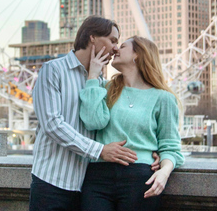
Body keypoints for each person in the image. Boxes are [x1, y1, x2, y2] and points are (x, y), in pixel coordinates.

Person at [30, 16, 159, 211]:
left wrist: (150, 150)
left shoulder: (99, 82)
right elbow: (52, 124)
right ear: (92, 38)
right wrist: (100, 150)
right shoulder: (53, 70)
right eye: (112, 40)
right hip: (51, 181)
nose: (116, 48)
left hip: (85, 185)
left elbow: (110, 123)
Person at [79, 35, 184, 211]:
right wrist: (93, 75)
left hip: (140, 178)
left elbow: (171, 147)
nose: (115, 50)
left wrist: (163, 173)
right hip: (98, 176)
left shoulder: (163, 98)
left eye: (123, 46)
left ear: (137, 54)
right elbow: (91, 121)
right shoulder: (105, 88)